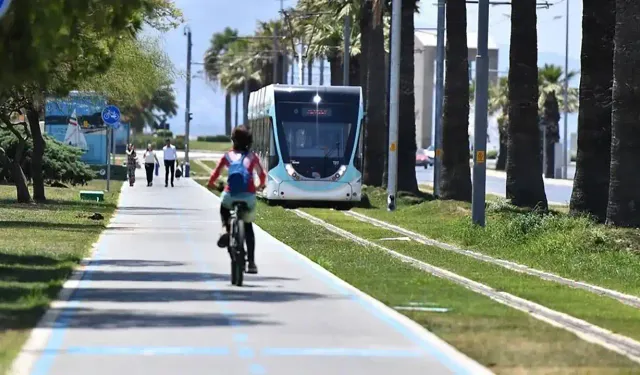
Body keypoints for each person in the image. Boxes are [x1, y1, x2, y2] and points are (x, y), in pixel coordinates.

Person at [207, 125, 266, 274]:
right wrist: (259, 187)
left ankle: (226, 229)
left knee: (224, 207)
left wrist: (212, 184)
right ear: (249, 141)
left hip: (230, 194)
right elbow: (262, 176)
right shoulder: (252, 157)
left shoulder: (228, 156)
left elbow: (214, 175)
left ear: (233, 140)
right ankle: (251, 263)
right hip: (249, 196)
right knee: (248, 228)